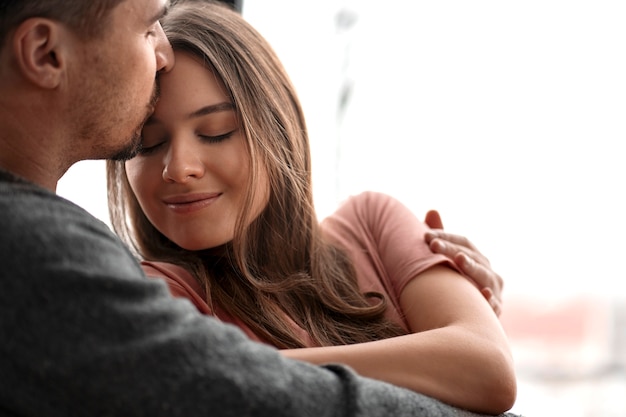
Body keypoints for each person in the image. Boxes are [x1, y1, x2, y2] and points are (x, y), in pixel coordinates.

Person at [0, 0, 522, 416]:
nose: (180, 167)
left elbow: (491, 369)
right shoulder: (154, 292)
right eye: (148, 144)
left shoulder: (371, 220)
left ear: (275, 128)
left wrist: (251, 367)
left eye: (217, 132)